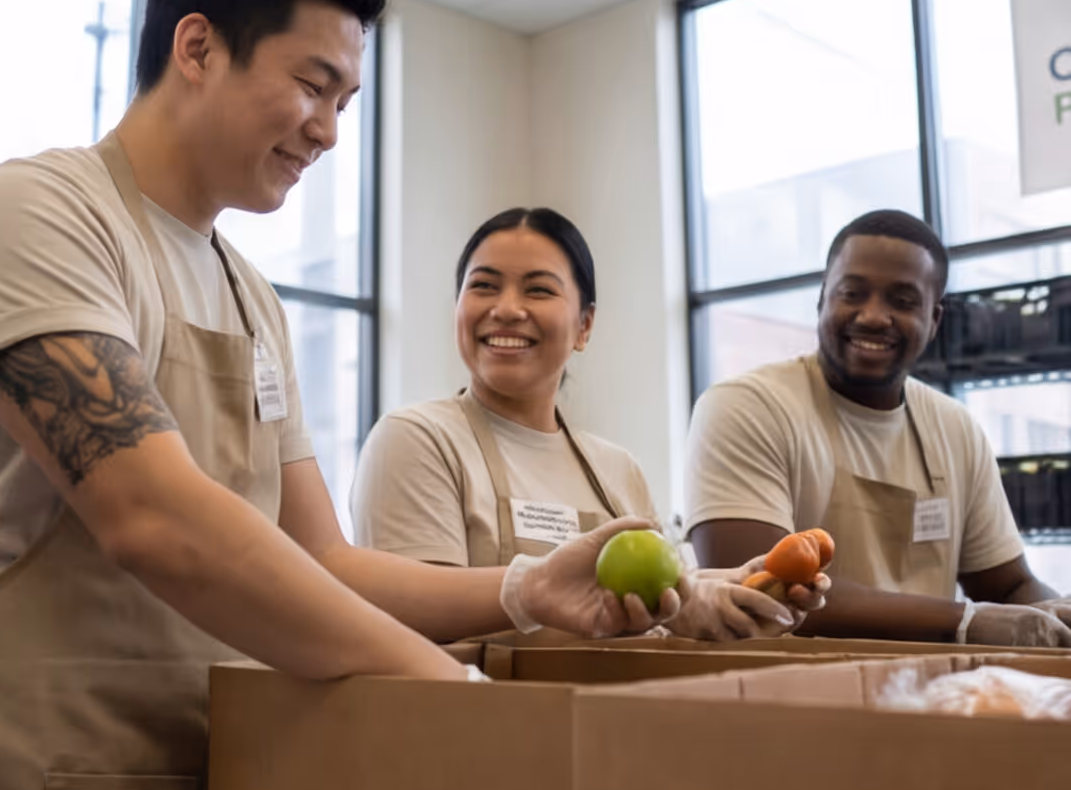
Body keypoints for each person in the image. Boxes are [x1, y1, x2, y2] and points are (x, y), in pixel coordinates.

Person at [0, 0, 691, 790]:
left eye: (346, 103)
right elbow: (154, 517)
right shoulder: (33, 217)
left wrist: (521, 590)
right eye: (313, 84)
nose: (327, 130)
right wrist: (454, 694)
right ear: (197, 47)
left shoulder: (251, 297)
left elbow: (323, 561)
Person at [352, 207, 824, 632]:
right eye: (483, 286)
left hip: (609, 718)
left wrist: (733, 585)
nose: (507, 309)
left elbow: (661, 601)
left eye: (538, 289)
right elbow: (412, 619)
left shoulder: (617, 468)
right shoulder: (417, 440)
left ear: (585, 325)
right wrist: (532, 591)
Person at [685, 209, 1071, 647]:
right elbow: (758, 591)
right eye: (852, 293)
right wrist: (965, 621)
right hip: (785, 697)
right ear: (822, 299)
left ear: (934, 321)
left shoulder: (954, 427)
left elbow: (1009, 587)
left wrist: (1052, 612)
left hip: (930, 697)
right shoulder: (747, 407)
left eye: (903, 301)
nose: (872, 316)